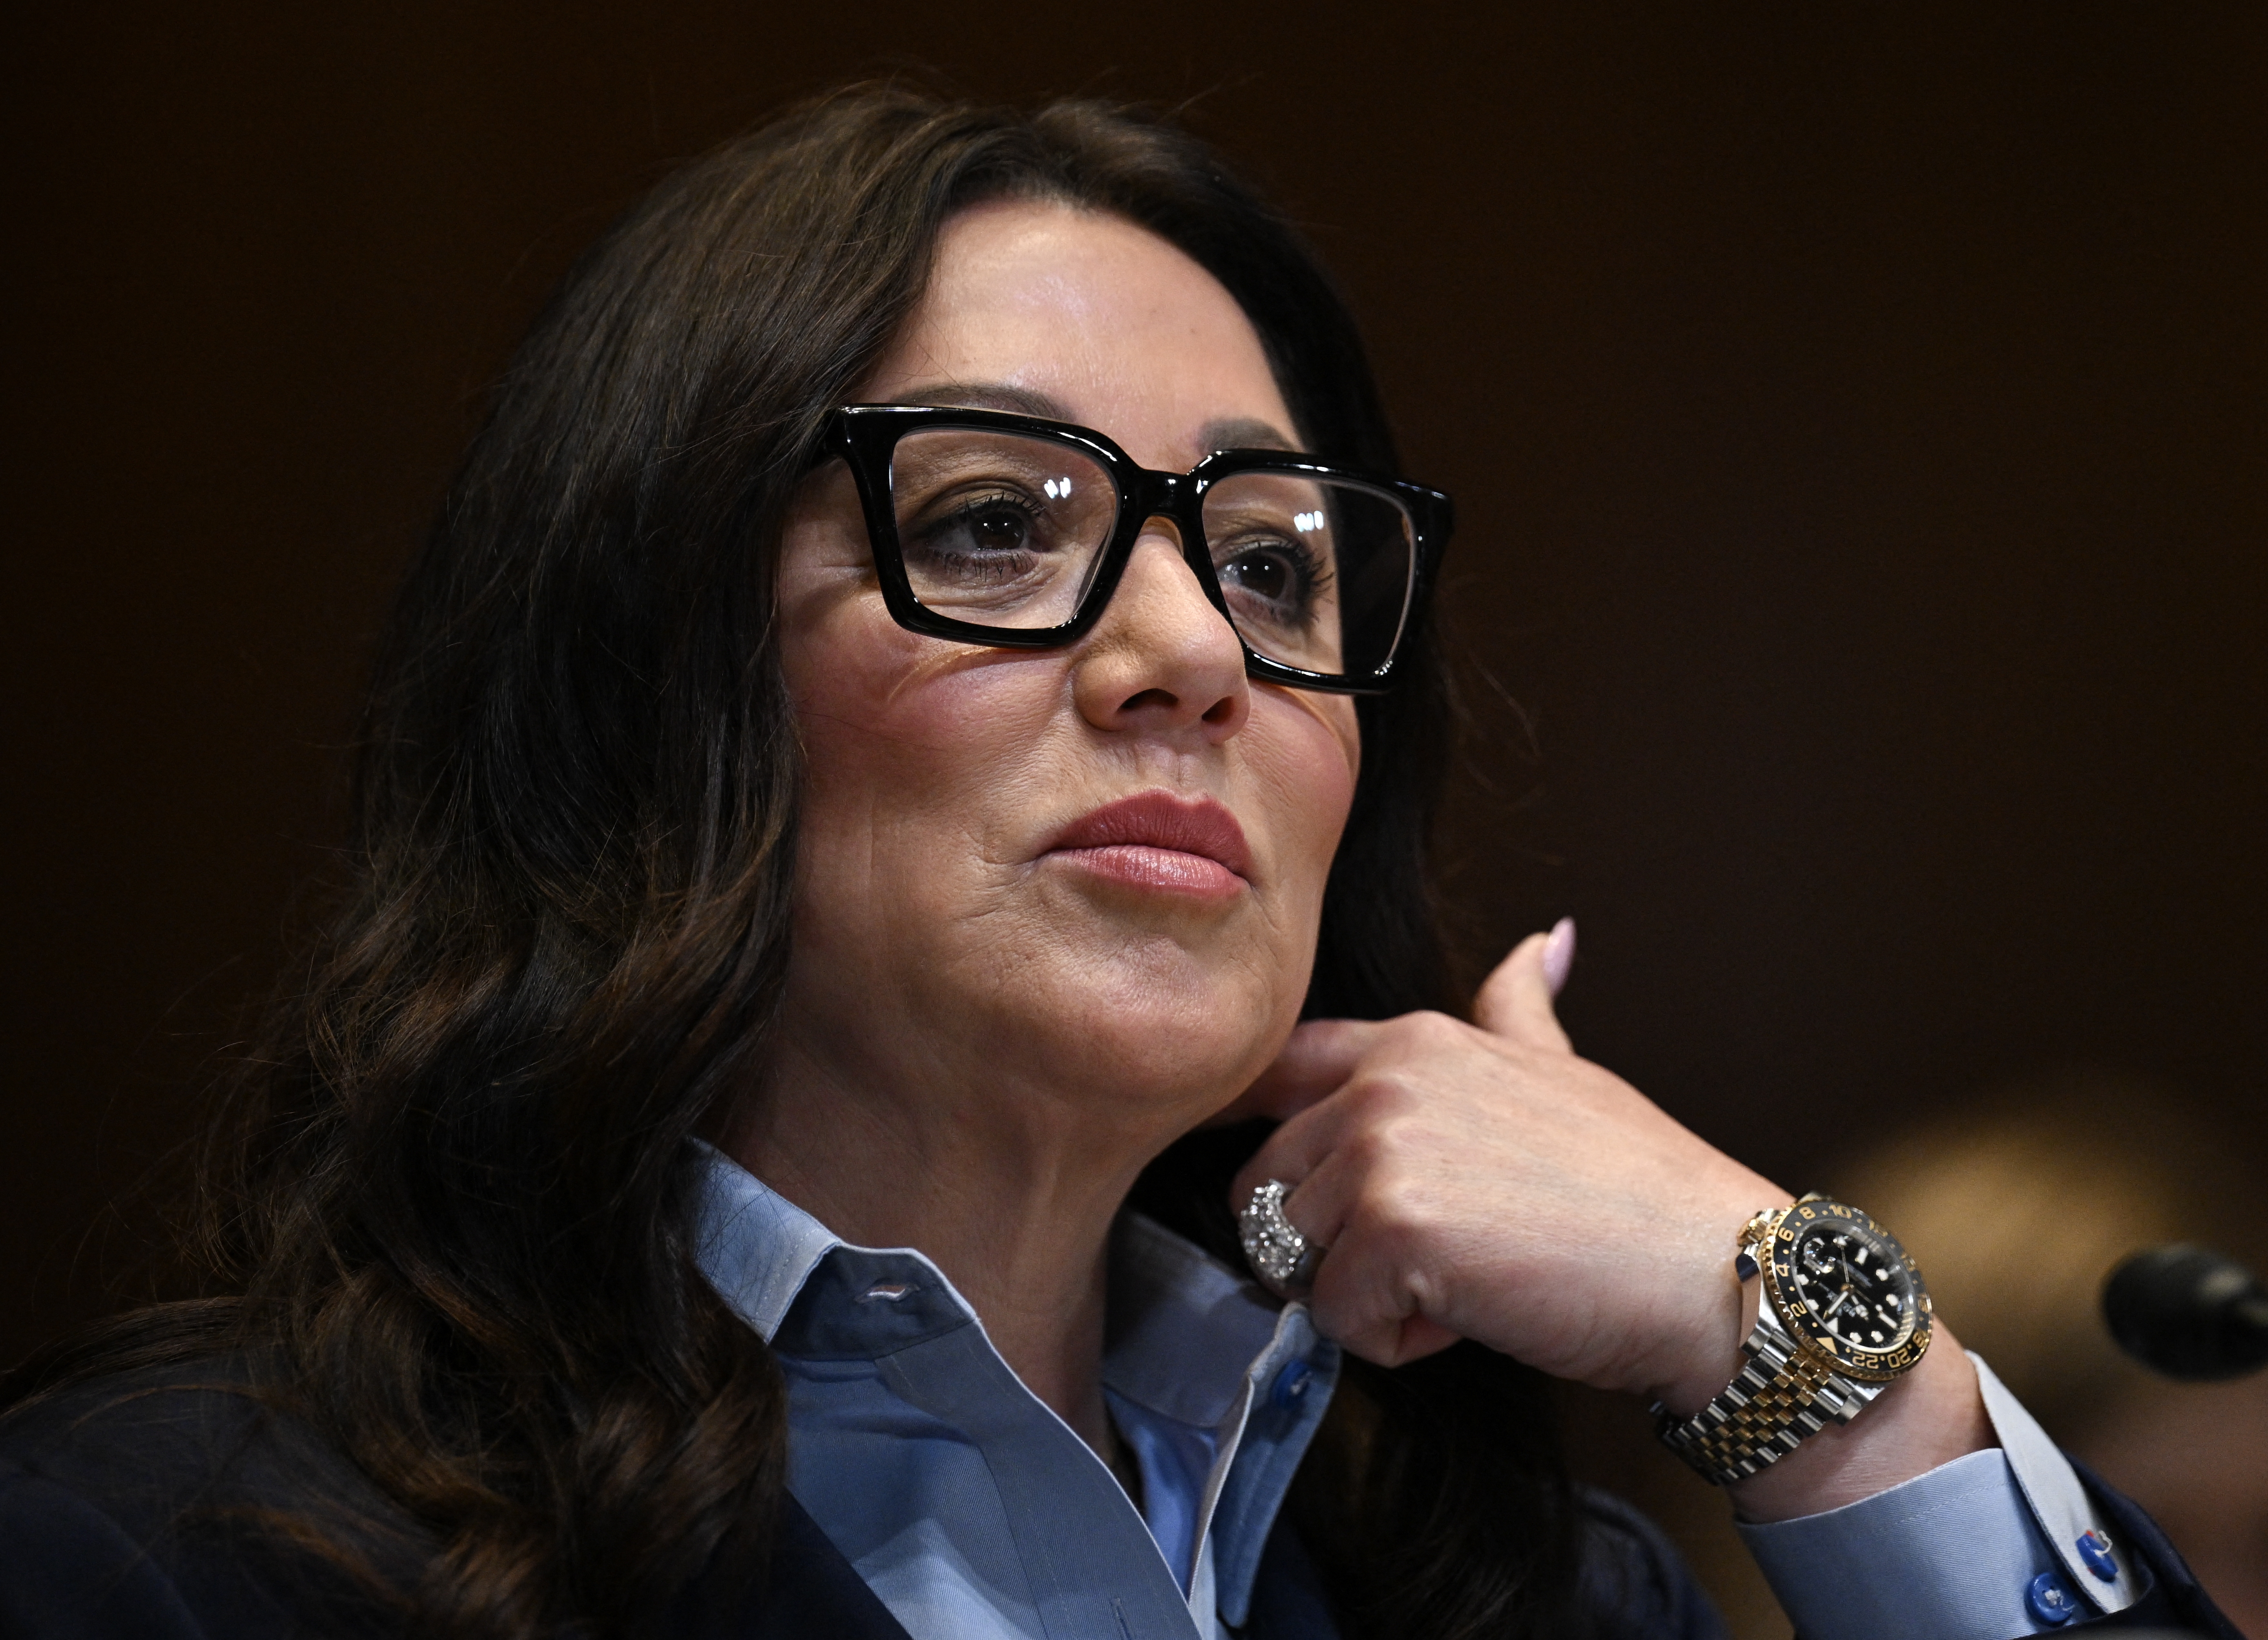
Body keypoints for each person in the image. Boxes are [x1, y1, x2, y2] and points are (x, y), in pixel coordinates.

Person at [0, 87, 2236, 1640]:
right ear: (647, 664)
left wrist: (1799, 1331)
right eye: (992, 524)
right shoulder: (161, 1560)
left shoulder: (1491, 1591)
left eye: (1276, 564)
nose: (1189, 648)